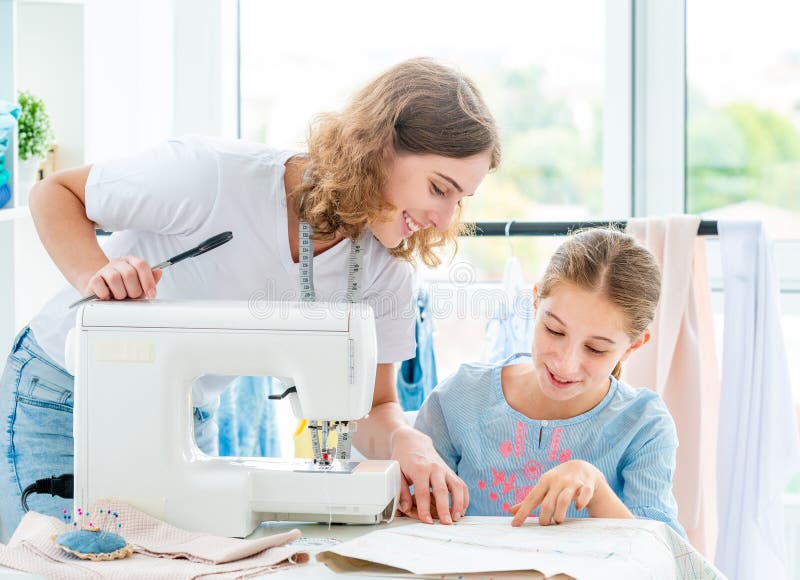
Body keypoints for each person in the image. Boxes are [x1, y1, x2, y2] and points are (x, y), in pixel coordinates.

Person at [0, 57, 501, 540]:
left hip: (177, 422)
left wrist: (402, 440)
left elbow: (374, 405)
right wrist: (99, 277)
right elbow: (55, 194)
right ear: (381, 144)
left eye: (459, 201)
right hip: (62, 397)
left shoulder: (385, 273)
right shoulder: (213, 176)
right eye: (439, 188)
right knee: (62, 561)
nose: (444, 217)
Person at [414, 228, 686, 536]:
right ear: (535, 302)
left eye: (596, 349)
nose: (565, 364)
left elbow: (663, 557)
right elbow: (405, 520)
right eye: (554, 330)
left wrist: (596, 489)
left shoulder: (644, 425)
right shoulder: (461, 398)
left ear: (633, 346)